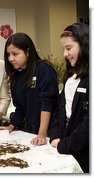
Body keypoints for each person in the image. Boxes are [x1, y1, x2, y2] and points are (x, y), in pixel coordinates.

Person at [0, 32, 59, 146]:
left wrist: (42, 134)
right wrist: (11, 126)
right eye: (8, 54)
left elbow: (47, 103)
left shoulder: (44, 69)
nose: (11, 58)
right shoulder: (16, 76)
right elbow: (20, 108)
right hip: (29, 132)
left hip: (48, 132)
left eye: (15, 54)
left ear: (27, 52)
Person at [49, 23, 89, 173]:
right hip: (67, 150)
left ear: (84, 46)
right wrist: (54, 136)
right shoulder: (70, 78)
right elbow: (60, 109)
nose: (65, 54)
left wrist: (65, 145)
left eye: (69, 48)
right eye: (63, 49)